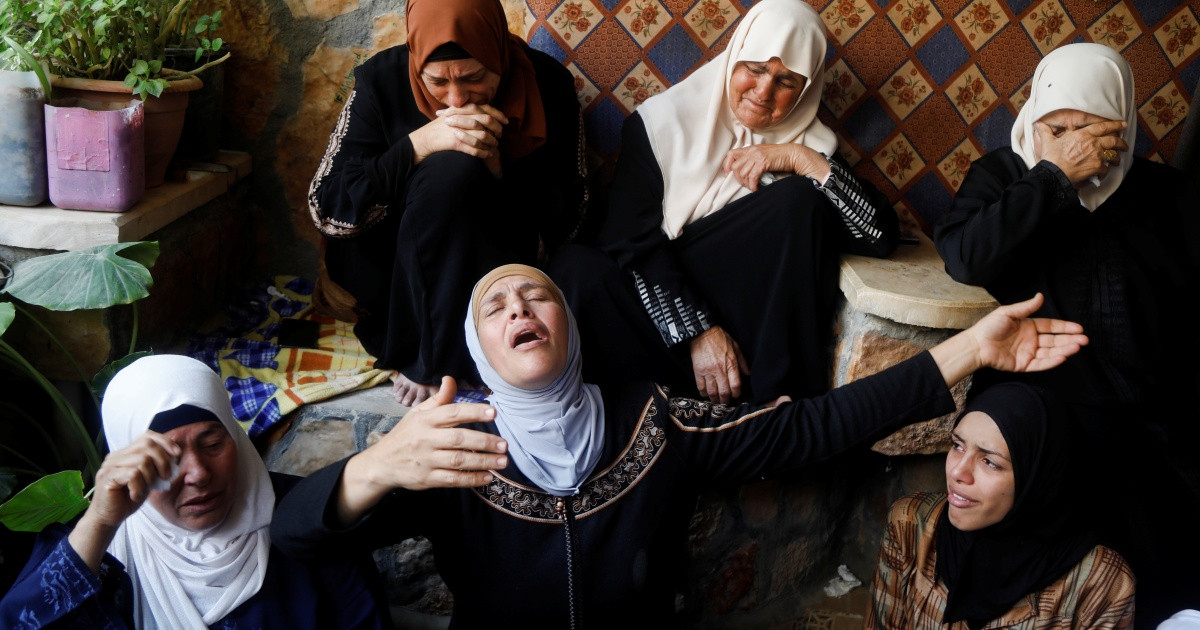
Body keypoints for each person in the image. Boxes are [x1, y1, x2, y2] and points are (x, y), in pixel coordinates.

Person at [270, 263, 1086, 627]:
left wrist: (969, 351)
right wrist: (375, 467)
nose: (520, 306)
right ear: (480, 350)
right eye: (497, 305)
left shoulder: (652, 422)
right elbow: (294, 533)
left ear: (569, 326)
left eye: (539, 296)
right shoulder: (448, 444)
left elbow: (814, 427)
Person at [933, 43, 1200, 624]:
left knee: (1163, 525)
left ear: (1125, 125)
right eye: (1057, 128)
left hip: (1143, 399)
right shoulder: (1003, 175)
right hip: (1036, 392)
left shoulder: (1170, 197)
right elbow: (967, 259)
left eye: (1093, 130)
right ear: (1033, 120)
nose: (1076, 142)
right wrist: (1052, 177)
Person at [567, 0, 898, 405]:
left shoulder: (811, 144)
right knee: (575, 269)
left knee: (797, 202)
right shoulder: (661, 125)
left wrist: (800, 159)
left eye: (786, 81)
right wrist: (698, 331)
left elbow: (879, 237)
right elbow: (627, 240)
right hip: (663, 320)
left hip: (751, 343)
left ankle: (777, 415)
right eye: (755, 70)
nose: (763, 92)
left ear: (806, 88)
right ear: (734, 58)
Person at [308, 0, 587, 407]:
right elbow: (327, 209)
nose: (455, 100)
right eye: (437, 82)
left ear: (497, 56)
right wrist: (416, 146)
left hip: (501, 256)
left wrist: (497, 170)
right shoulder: (382, 80)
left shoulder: (547, 83)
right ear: (416, 63)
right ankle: (418, 350)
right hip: (393, 274)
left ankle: (455, 349)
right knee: (447, 171)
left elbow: (575, 216)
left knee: (460, 174)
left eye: (474, 78)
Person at [0, 355, 389, 629]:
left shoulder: (307, 519)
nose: (199, 474)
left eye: (212, 443)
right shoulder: (97, 549)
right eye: (165, 457)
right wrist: (101, 521)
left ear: (235, 436)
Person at [865, 382, 1135, 629]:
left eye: (990, 462)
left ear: (1036, 480)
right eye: (958, 446)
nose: (958, 472)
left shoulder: (1100, 582)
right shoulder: (911, 524)